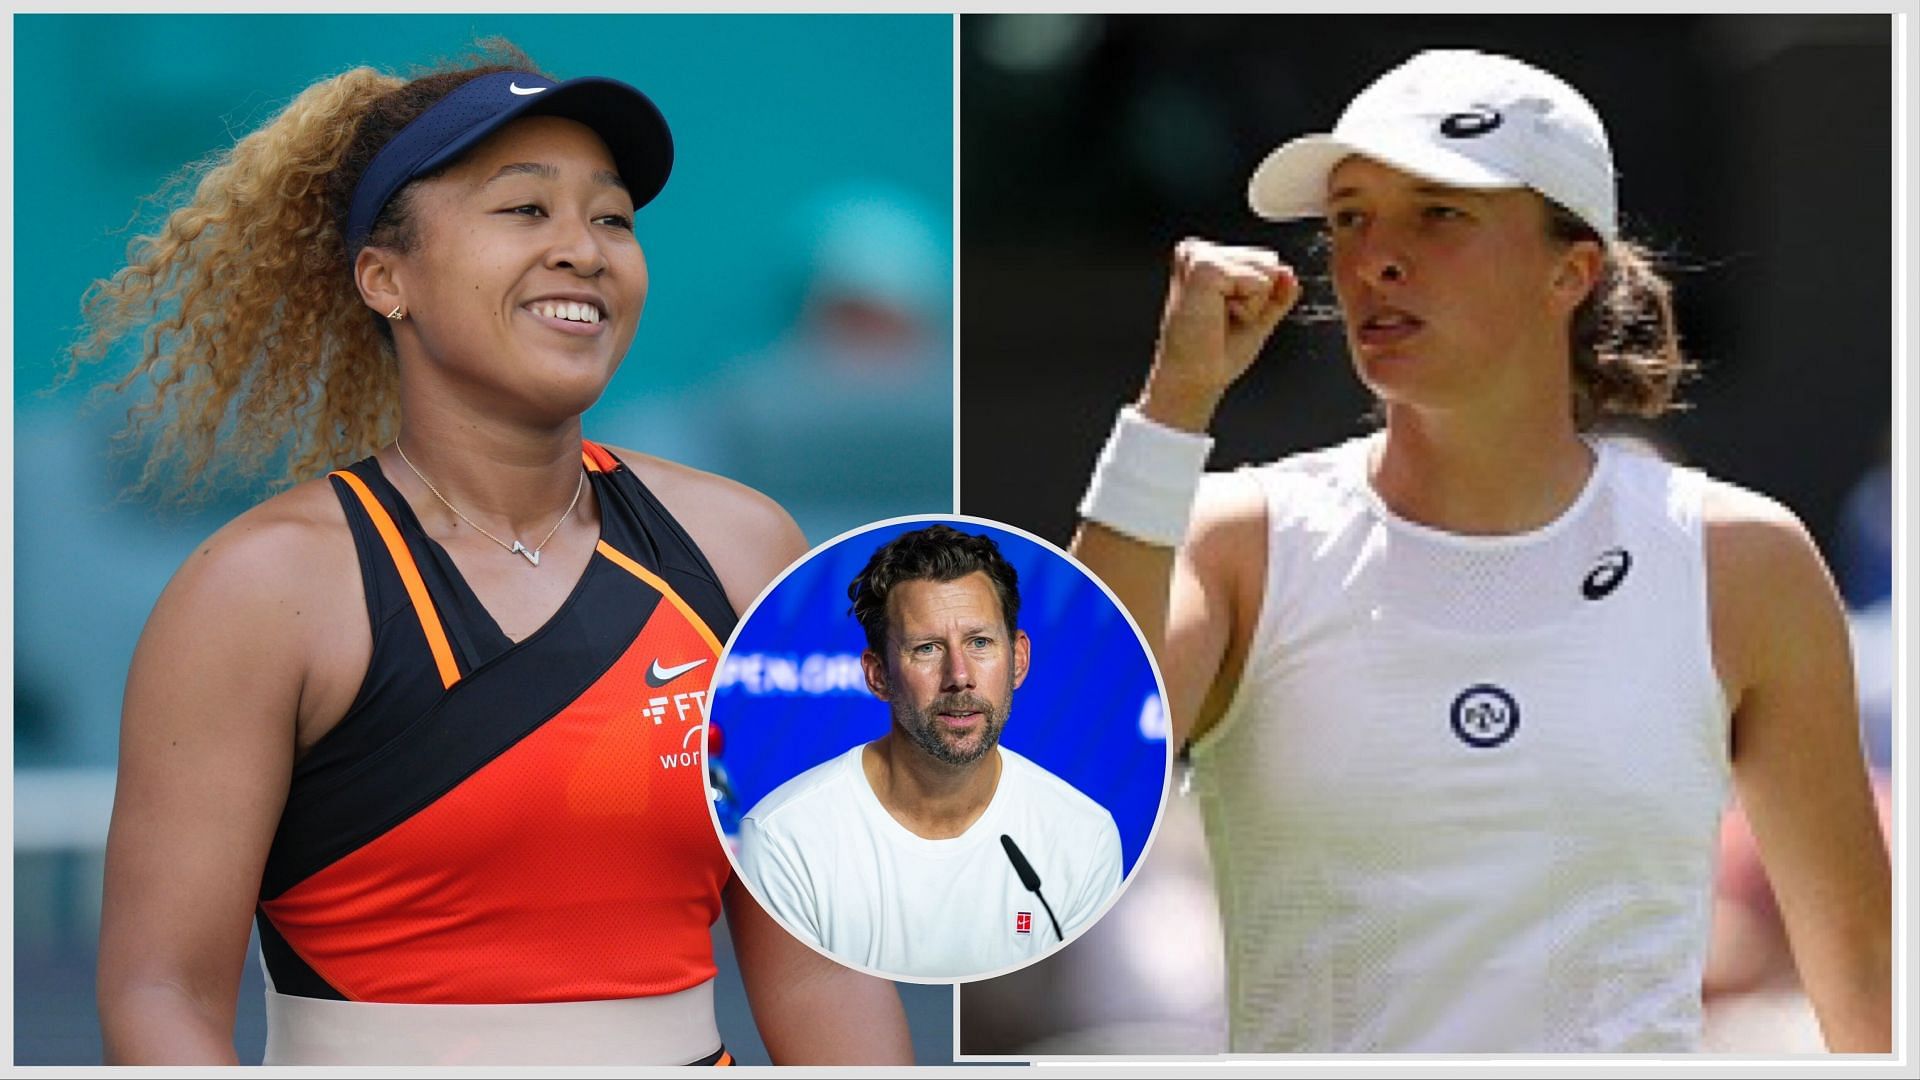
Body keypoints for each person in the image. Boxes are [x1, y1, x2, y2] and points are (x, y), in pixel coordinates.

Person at [85, 43, 912, 1065]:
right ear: (386, 279)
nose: (584, 249)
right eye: (525, 210)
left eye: (612, 218)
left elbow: (823, 961)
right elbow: (160, 992)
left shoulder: (744, 552)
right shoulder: (261, 591)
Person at [1070, 49, 1890, 1052]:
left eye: (1438, 213)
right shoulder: (1240, 541)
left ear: (1570, 270)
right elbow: (1060, 777)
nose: (1375, 256)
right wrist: (1173, 405)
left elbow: (1865, 979)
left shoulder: (1743, 562)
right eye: (1350, 217)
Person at [735, 524, 1123, 980]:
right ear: (877, 674)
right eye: (927, 648)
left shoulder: (1084, 835)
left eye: (980, 643)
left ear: (1018, 659)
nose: (959, 676)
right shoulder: (784, 839)